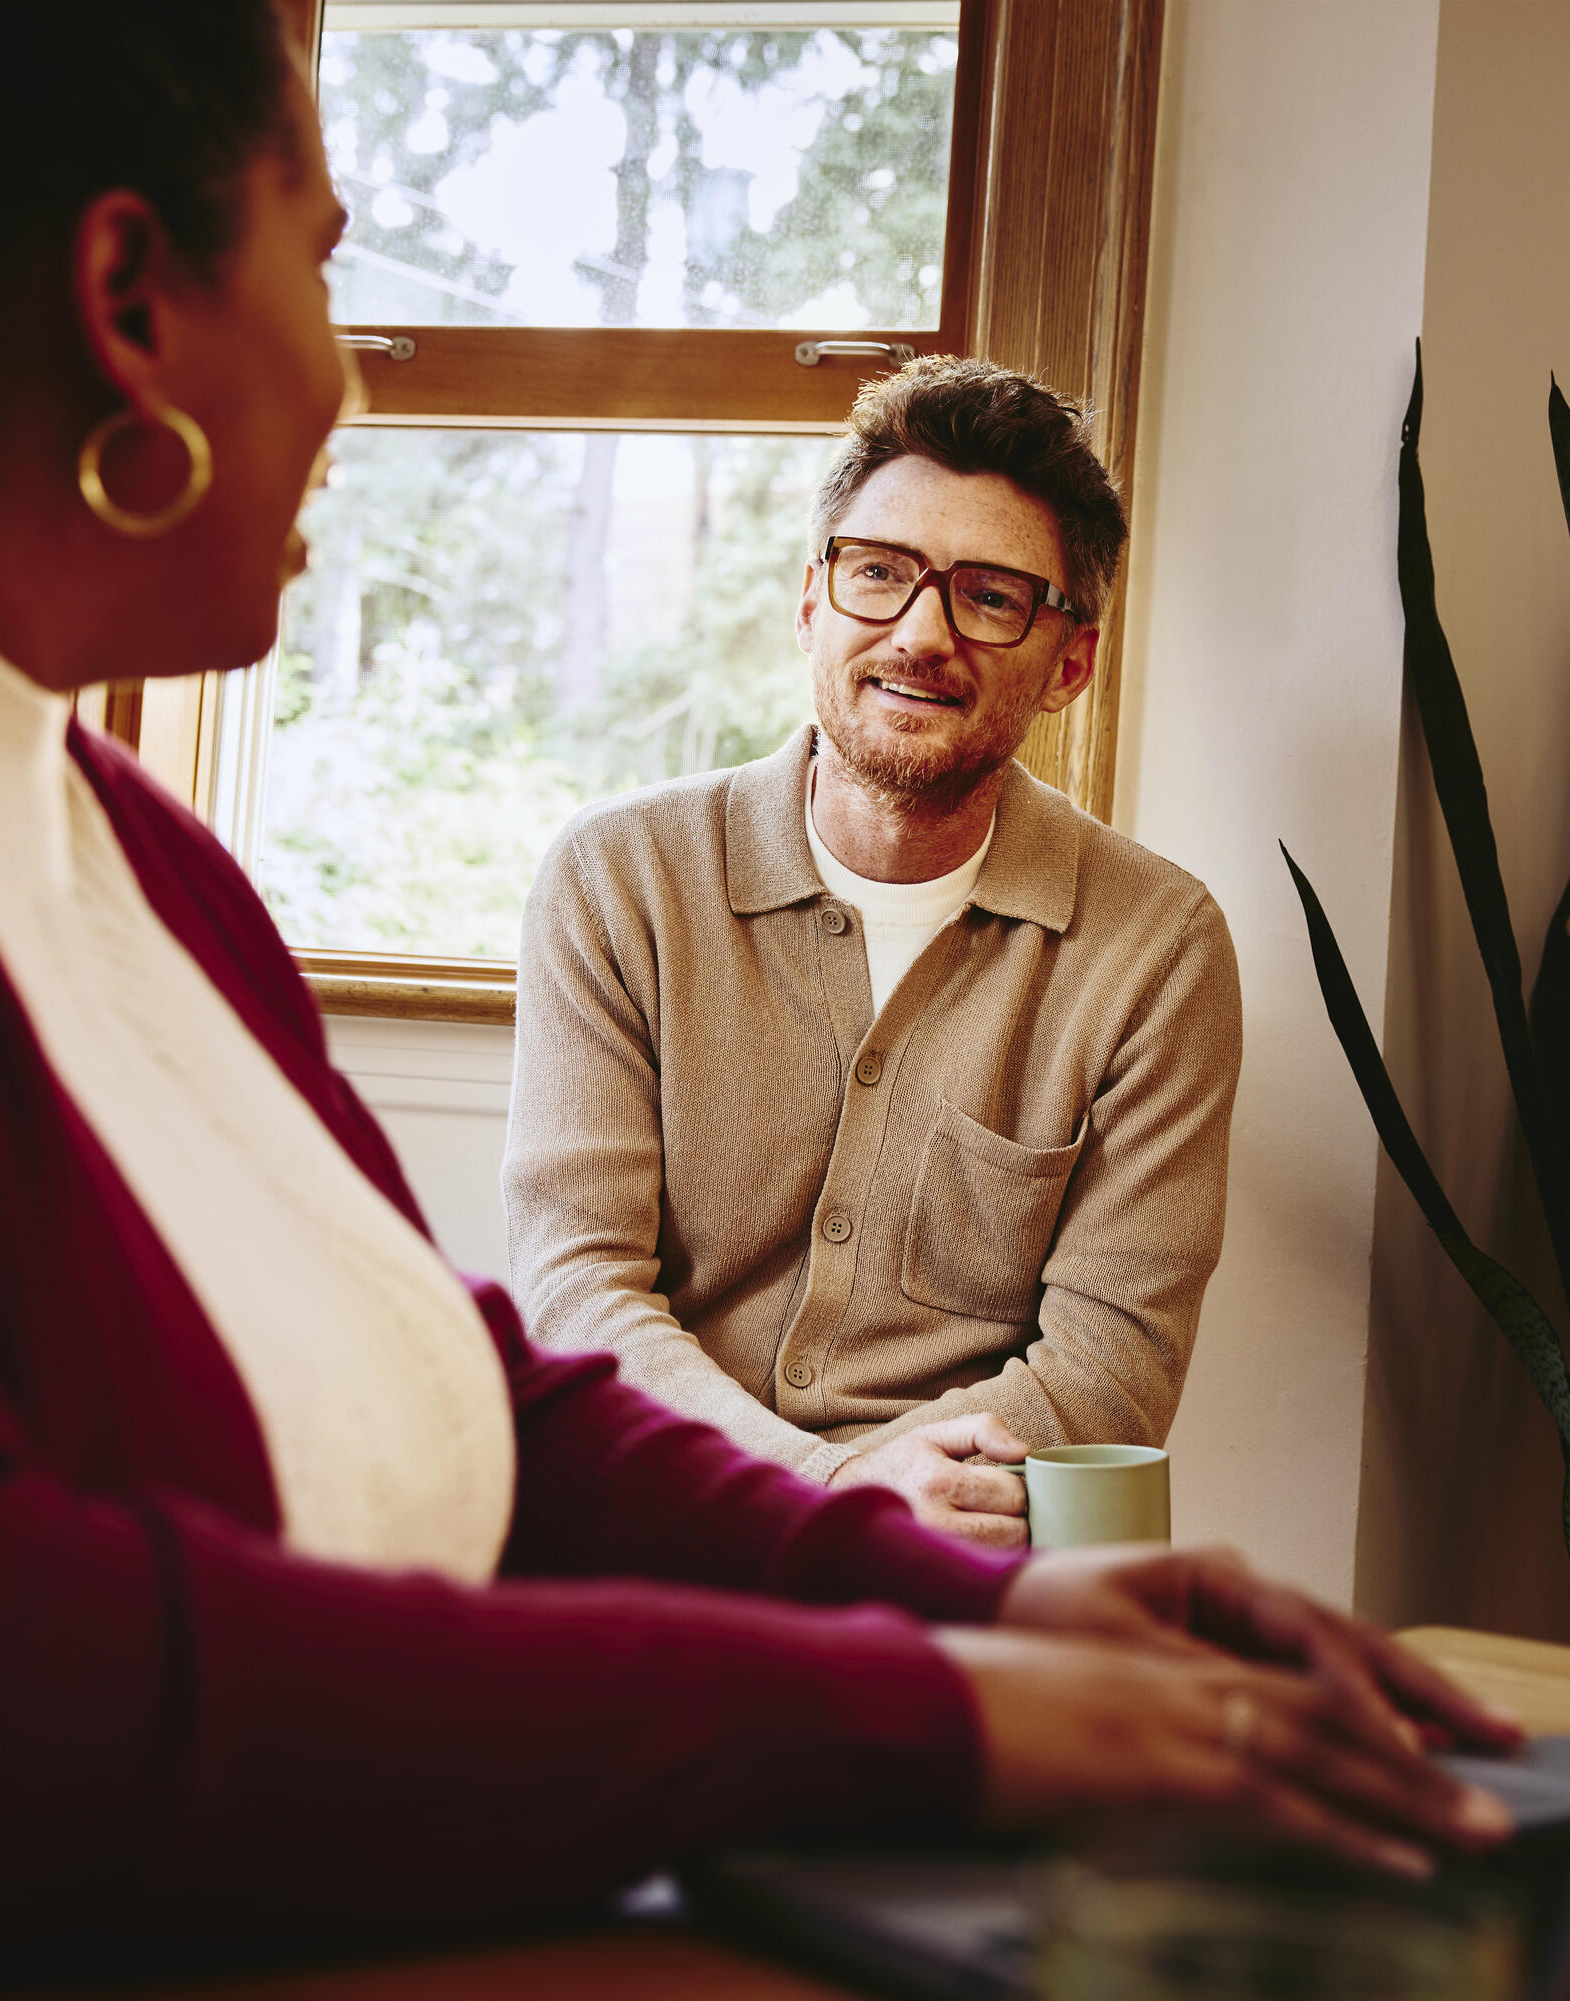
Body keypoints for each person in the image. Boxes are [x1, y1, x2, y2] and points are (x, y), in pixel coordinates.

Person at [0, 1, 1518, 1989]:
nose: (349, 369)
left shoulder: (123, 846)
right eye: (321, 258)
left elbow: (481, 1395)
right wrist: (919, 1710)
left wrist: (1002, 1604)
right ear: (129, 305)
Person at [505, 357, 1238, 1548]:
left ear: (1069, 662)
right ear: (811, 601)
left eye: (992, 595)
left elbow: (1115, 1360)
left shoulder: (1158, 946)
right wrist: (826, 1498)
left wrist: (900, 1511)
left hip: (964, 1541)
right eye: (879, 574)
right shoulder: (618, 878)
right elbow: (579, 1289)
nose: (922, 632)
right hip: (667, 1519)